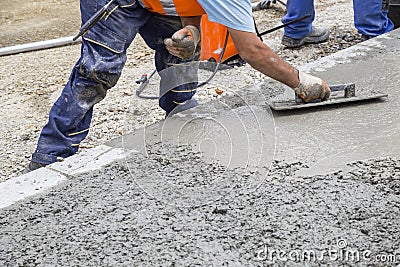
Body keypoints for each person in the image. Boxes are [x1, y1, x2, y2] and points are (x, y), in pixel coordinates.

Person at [24, 0, 331, 173]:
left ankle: (181, 115)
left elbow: (191, 12)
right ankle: (50, 155)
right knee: (99, 70)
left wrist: (192, 33)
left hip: (160, 3)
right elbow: (253, 52)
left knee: (182, 54)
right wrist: (301, 82)